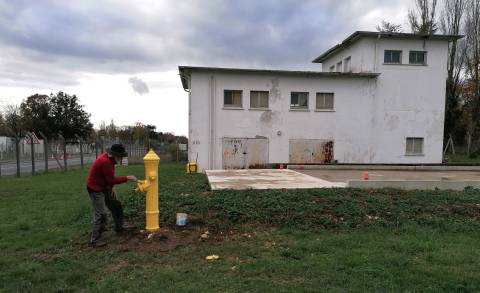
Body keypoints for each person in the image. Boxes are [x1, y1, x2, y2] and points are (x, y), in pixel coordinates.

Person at [86, 143, 137, 247]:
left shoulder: (111, 160)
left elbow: (109, 178)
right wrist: (127, 178)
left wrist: (112, 187)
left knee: (116, 205)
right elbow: (111, 179)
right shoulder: (105, 161)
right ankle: (95, 239)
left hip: (105, 187)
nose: (121, 158)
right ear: (115, 155)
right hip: (95, 189)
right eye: (120, 156)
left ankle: (120, 226)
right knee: (101, 214)